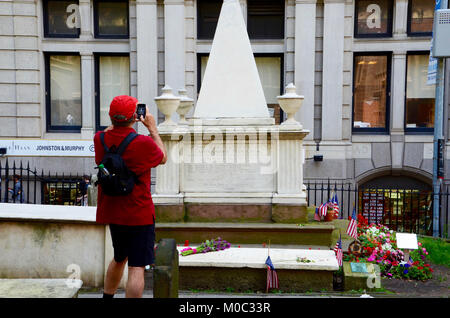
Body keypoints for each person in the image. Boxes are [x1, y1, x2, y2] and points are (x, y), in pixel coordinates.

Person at [94, 95, 167, 298]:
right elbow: (163, 157)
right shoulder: (142, 142)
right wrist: (152, 128)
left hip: (113, 211)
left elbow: (109, 132)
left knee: (119, 258)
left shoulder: (99, 139)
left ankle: (107, 297)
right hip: (138, 213)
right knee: (137, 266)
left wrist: (116, 123)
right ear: (135, 116)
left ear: (111, 116)